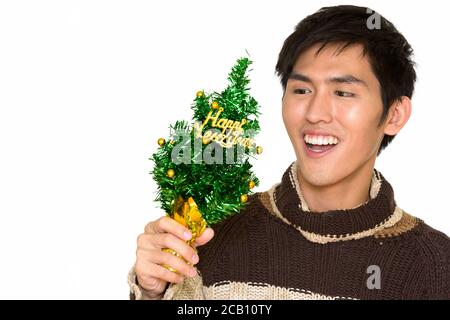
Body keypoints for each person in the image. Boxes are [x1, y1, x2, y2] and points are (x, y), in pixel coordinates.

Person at [128, 5, 450, 300]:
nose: (315, 113)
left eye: (342, 92)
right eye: (301, 90)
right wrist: (155, 292)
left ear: (394, 115)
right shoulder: (212, 235)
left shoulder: (432, 266)